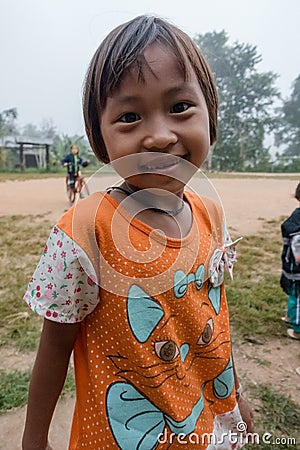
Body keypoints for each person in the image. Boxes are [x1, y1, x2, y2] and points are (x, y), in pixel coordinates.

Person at [22, 15, 254, 450]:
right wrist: (34, 440)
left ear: (210, 112)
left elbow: (214, 318)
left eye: (180, 106)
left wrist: (234, 397)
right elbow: (54, 347)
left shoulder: (210, 214)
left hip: (210, 428)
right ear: (100, 138)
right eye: (129, 116)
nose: (160, 136)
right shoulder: (84, 232)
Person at [280, 182, 300, 340]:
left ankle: (290, 316)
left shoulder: (295, 216)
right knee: (297, 297)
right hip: (296, 268)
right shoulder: (297, 221)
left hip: (291, 266)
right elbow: (297, 243)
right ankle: (298, 329)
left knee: (294, 293)